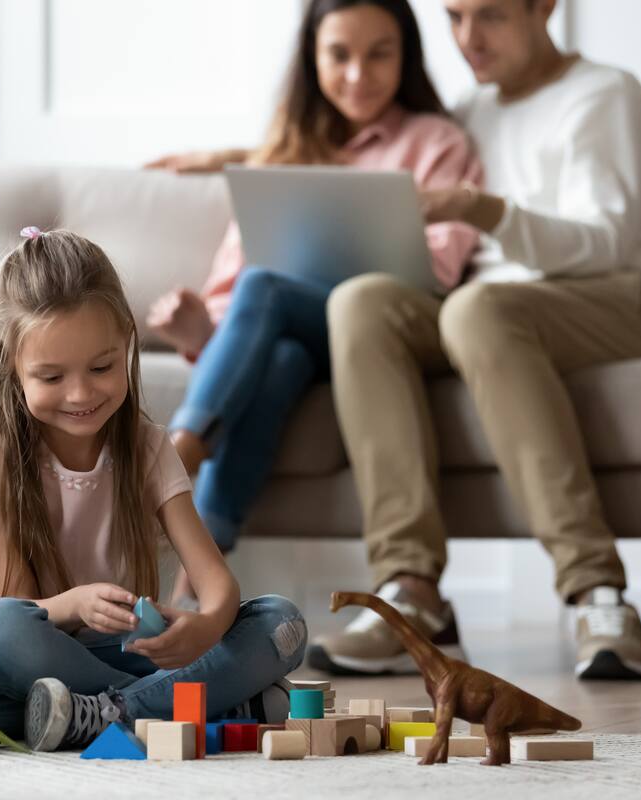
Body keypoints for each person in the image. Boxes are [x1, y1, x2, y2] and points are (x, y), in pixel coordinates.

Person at [311, 0, 641, 681]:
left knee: (478, 310)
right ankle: (410, 592)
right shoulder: (472, 109)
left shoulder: (605, 94)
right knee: (361, 301)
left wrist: (478, 208)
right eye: (454, 17)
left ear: (545, 6)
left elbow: (603, 244)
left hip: (624, 298)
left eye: (490, 16)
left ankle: (597, 591)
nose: (467, 39)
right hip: (489, 311)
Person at [145, 0, 483, 604]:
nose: (359, 74)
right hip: (297, 341)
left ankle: (177, 456)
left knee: (266, 286)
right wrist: (201, 328)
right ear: (313, 60)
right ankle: (196, 590)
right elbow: (230, 289)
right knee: (279, 361)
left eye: (379, 53)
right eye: (339, 55)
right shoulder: (283, 152)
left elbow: (437, 268)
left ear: (405, 56)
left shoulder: (439, 144)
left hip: (387, 335)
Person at [0, 228, 308, 752]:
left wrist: (206, 625)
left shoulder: (146, 447)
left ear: (127, 341)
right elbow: (7, 615)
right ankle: (200, 705)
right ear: (10, 366)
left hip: (97, 662)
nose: (81, 394)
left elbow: (217, 584)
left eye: (101, 367)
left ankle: (110, 714)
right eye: (51, 377)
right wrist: (75, 604)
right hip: (0, 678)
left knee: (280, 622)